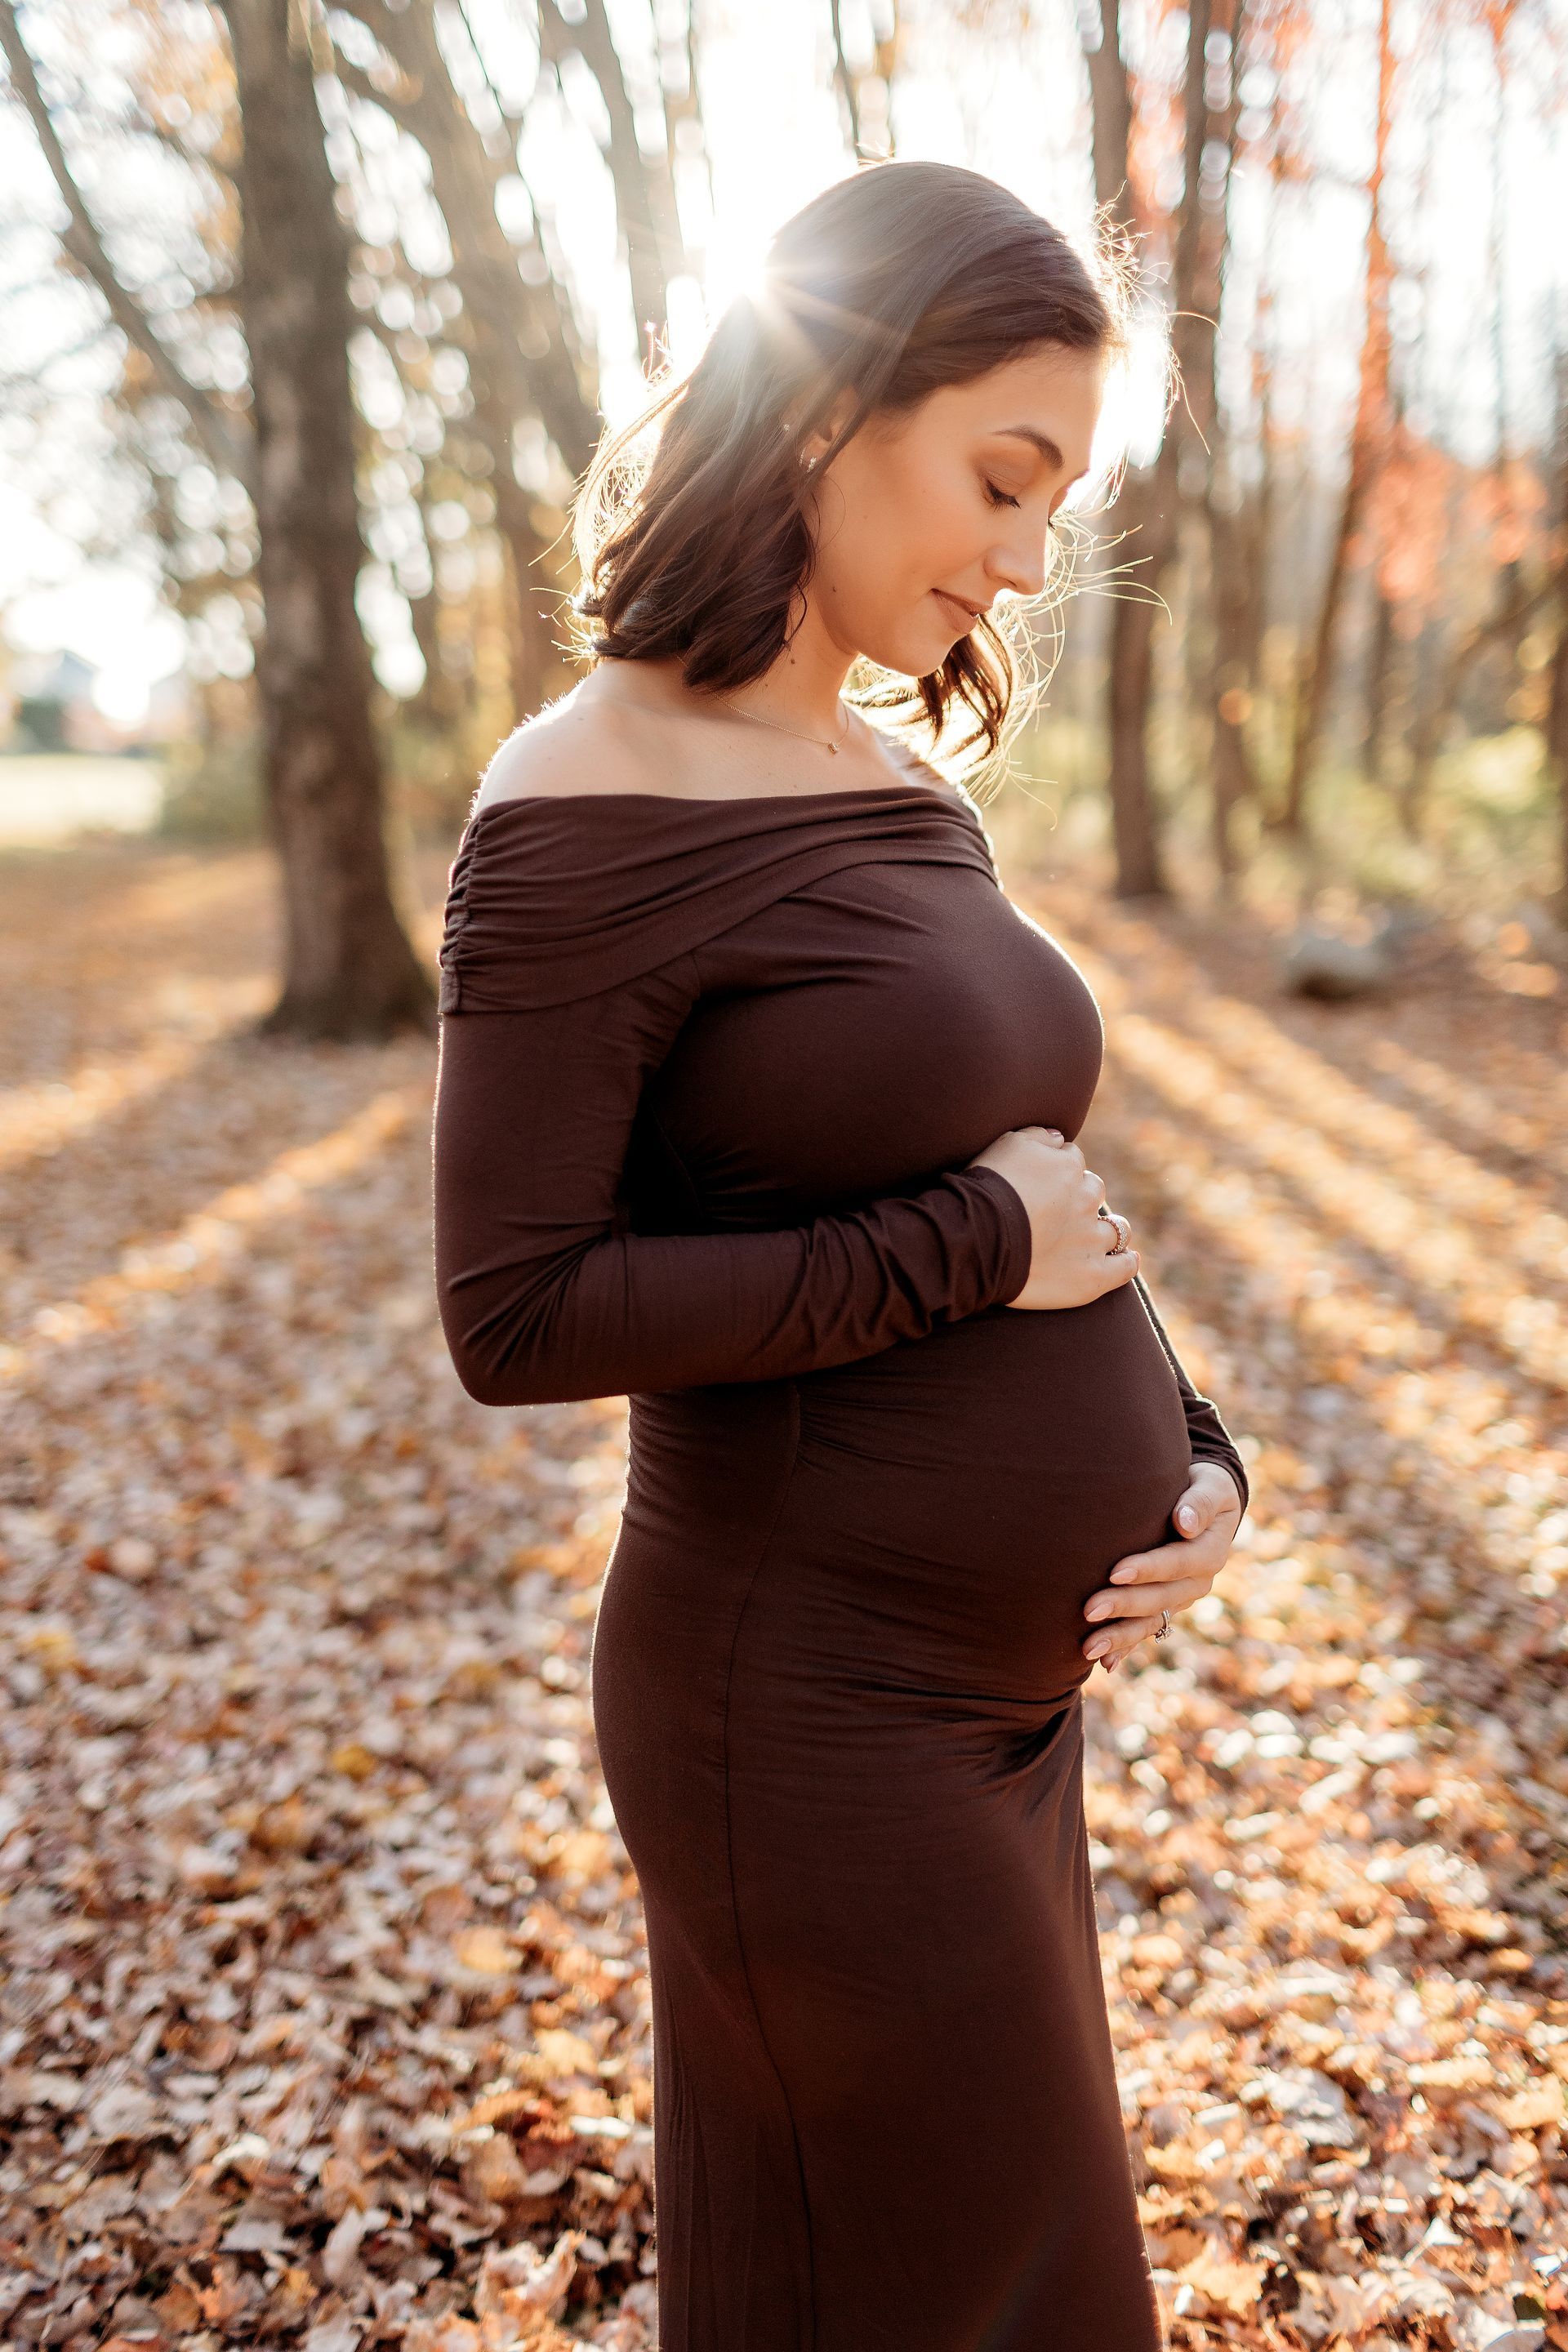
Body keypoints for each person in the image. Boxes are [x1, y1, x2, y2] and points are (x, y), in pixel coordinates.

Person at [431, 159, 1247, 2352]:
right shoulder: (574, 797)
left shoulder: (904, 791)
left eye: (1059, 497)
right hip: (799, 1707)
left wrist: (1193, 1444)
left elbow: (1028, 1177)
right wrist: (958, 1257)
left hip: (1000, 1705)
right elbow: (517, 1312)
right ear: (826, 406)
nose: (1026, 551)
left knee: (958, 2285)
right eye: (1004, 473)